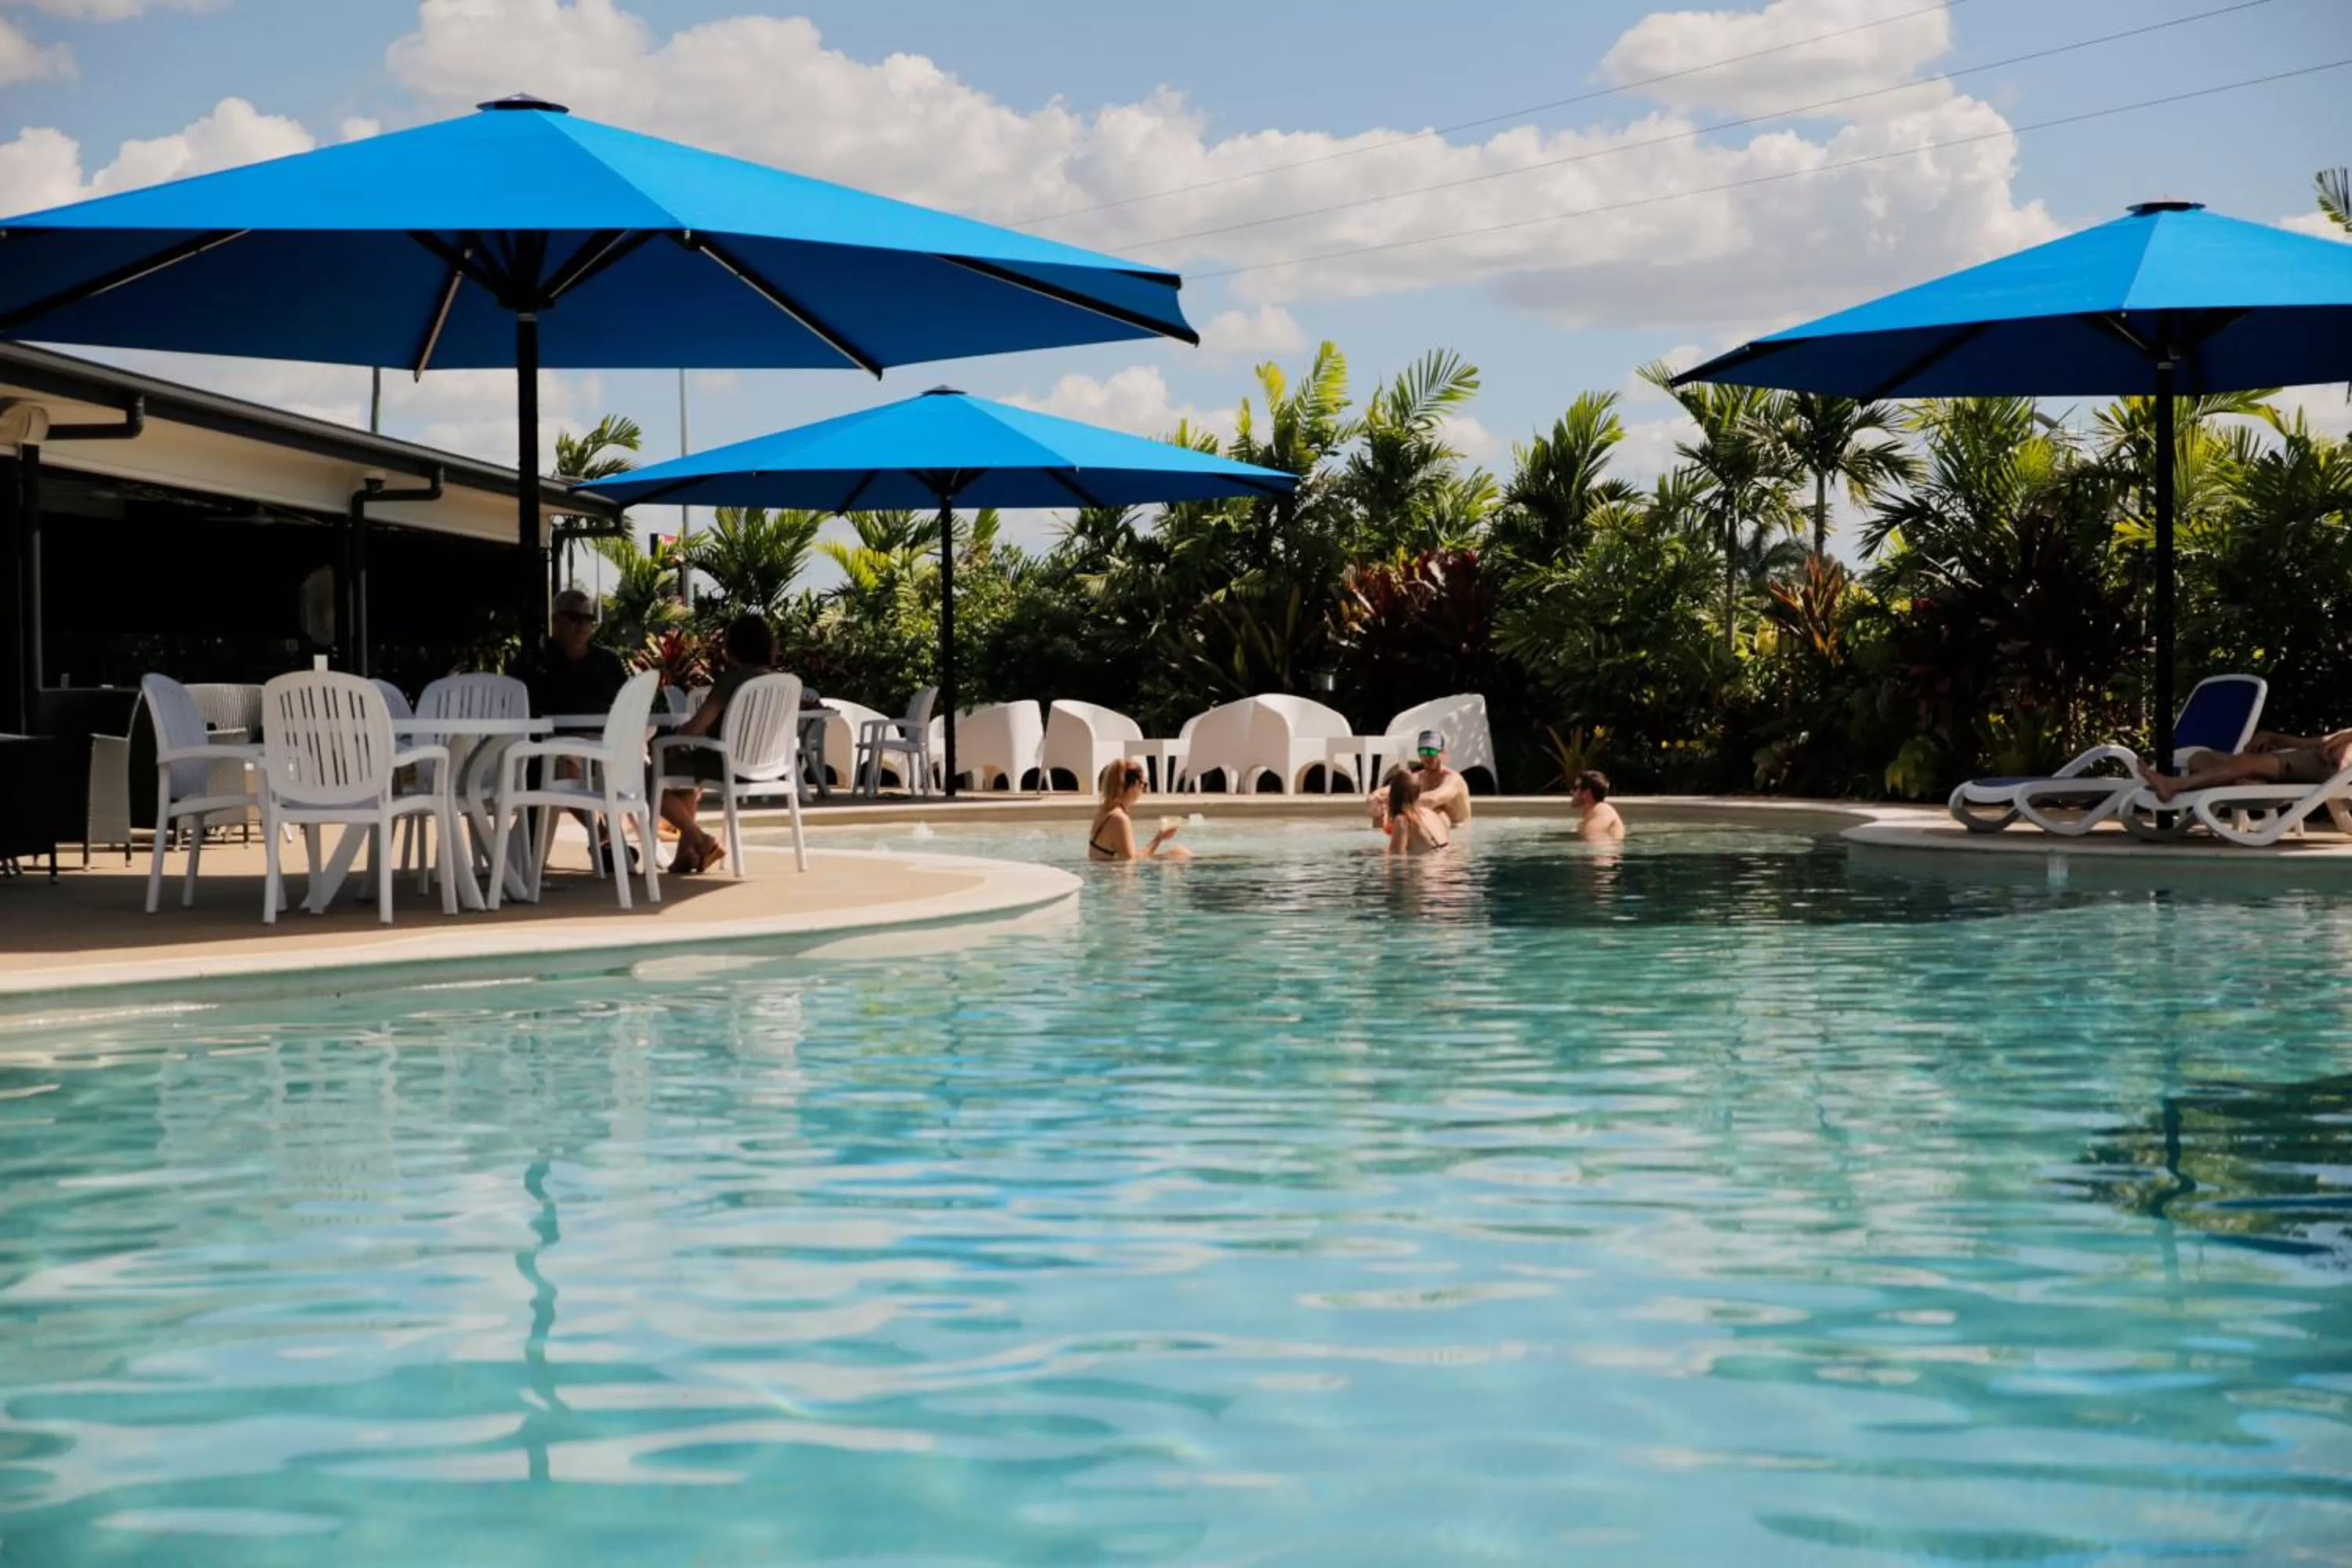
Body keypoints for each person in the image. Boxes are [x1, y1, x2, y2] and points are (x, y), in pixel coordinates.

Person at [661, 614, 778, 874]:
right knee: (680, 774)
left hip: (726, 764)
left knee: (650, 776)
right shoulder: (779, 683)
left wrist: (674, 738)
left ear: (732, 648)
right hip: (768, 767)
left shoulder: (732, 681)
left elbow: (695, 729)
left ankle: (701, 840)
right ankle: (686, 855)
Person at [2135, 727, 2352, 804]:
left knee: (2247, 762)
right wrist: (2277, 738)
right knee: (2200, 758)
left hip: (2324, 767)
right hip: (2303, 757)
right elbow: (2315, 742)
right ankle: (2249, 782)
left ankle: (2175, 785)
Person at [519, 588, 630, 722]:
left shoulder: (610, 662)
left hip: (605, 738)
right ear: (555, 619)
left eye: (588, 619)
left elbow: (629, 706)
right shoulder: (531, 664)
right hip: (551, 739)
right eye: (574, 618)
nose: (582, 625)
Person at [1369, 730, 1472, 832]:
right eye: (1423, 751)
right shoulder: (1417, 777)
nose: (1427, 756)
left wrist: (1393, 803)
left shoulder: (1454, 779)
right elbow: (1384, 792)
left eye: (1431, 751)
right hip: (1434, 833)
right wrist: (1375, 800)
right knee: (1380, 816)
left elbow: (1433, 800)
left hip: (1457, 832)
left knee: (1438, 813)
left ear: (1442, 753)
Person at [1090, 759, 1191, 862]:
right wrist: (1159, 838)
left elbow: (1125, 856)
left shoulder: (1104, 811)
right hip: (1113, 875)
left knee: (1178, 852)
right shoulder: (1119, 819)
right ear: (1135, 784)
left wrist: (1160, 838)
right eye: (1144, 785)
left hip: (1108, 871)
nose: (1143, 791)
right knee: (1182, 855)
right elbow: (1131, 861)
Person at [1385, 765, 1453, 855]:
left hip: (1427, 865)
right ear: (1418, 794)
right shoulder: (1430, 813)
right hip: (1446, 864)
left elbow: (1396, 860)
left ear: (1393, 796)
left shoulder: (1402, 820)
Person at [1572, 769, 1625, 840]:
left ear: (1587, 793)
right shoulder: (1592, 817)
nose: (1571, 791)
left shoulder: (1603, 811)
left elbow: (1597, 847)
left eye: (1575, 788)